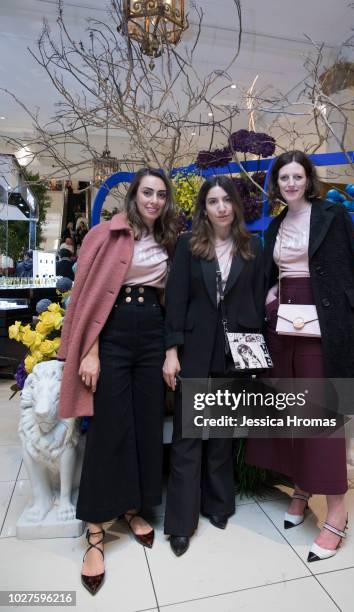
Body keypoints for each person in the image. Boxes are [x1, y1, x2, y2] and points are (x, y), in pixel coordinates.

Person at [246, 150, 354, 563]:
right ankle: (302, 486)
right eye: (283, 177)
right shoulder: (277, 223)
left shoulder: (332, 216)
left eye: (296, 176)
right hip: (284, 324)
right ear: (276, 183)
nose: (290, 183)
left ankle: (337, 512)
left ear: (308, 179)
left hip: (326, 323)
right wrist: (269, 298)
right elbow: (274, 274)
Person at [57, 168, 177, 595]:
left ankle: (133, 506)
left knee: (144, 424)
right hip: (111, 333)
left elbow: (171, 299)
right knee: (109, 428)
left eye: (161, 194)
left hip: (151, 332)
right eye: (148, 192)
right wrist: (88, 350)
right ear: (134, 194)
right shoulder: (105, 233)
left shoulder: (168, 240)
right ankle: (94, 530)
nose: (154, 200)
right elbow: (85, 294)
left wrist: (169, 349)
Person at [163, 175, 264, 557]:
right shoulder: (189, 246)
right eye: (212, 201)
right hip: (194, 348)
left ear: (235, 205)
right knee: (188, 436)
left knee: (221, 434)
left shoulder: (252, 246)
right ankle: (180, 522)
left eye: (226, 200)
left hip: (232, 352)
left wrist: (253, 355)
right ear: (203, 207)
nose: (220, 207)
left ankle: (218, 505)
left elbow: (255, 303)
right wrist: (171, 351)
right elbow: (175, 300)